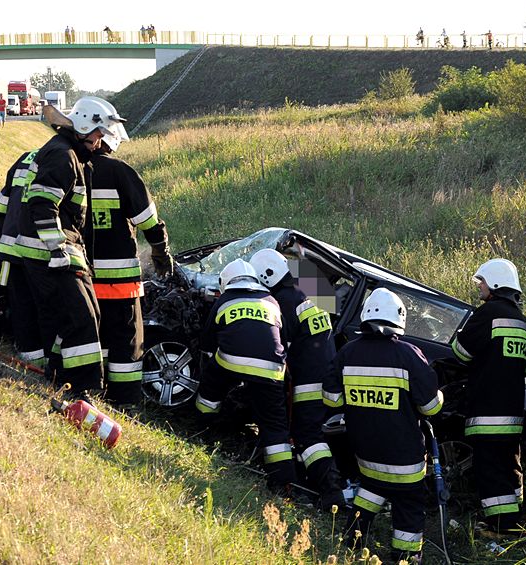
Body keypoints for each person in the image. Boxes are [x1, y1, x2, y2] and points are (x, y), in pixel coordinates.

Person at [323, 288, 443, 563]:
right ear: (399, 319)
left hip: (365, 453)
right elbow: (431, 408)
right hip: (404, 458)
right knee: (408, 506)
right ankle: (406, 555)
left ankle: (352, 539)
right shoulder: (409, 355)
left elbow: (331, 399)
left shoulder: (347, 353)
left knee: (371, 489)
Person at [14, 96, 120, 400]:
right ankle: (82, 389)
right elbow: (42, 203)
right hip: (51, 253)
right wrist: (57, 248)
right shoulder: (63, 156)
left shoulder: (67, 152)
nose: (100, 143)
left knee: (64, 317)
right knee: (82, 317)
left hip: (48, 252)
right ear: (86, 125)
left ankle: (60, 374)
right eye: (99, 135)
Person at [87, 114, 174, 406]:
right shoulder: (120, 171)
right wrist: (161, 252)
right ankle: (124, 401)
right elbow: (148, 220)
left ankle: (94, 392)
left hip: (82, 276)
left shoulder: (71, 167)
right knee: (125, 341)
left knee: (94, 337)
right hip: (119, 281)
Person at [250, 249, 345, 511]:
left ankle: (331, 493)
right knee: (309, 435)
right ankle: (316, 484)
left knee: (308, 437)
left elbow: (279, 349)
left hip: (308, 385)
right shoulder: (309, 293)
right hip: (328, 378)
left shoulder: (282, 302)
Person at [195, 259, 296, 491]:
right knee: (274, 425)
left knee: (211, 388)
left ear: (227, 281)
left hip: (231, 361)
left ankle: (203, 429)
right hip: (272, 369)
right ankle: (282, 482)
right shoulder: (272, 301)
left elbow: (207, 342)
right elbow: (284, 340)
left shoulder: (224, 300)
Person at [450, 259, 526, 535]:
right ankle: (514, 521)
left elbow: (461, 352)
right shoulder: (520, 319)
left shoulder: (488, 314)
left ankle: (500, 527)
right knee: (510, 468)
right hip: (514, 411)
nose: (479, 287)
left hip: (487, 411)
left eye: (481, 281)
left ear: (495, 284)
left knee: (490, 471)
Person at [0, 150, 44, 368]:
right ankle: (34, 359)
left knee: (14, 298)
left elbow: (1, 205)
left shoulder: (26, 157)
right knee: (33, 305)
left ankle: (17, 342)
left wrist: (2, 232)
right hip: (36, 251)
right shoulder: (63, 161)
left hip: (9, 244)